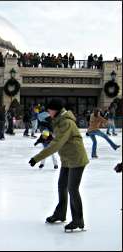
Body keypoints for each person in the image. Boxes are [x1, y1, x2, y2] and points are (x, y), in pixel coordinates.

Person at [28, 98, 89, 232]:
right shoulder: (59, 121)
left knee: (72, 188)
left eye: (49, 110)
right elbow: (58, 138)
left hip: (77, 159)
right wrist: (47, 137)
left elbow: (57, 144)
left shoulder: (66, 122)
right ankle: (61, 214)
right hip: (67, 160)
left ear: (55, 110)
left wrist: (37, 158)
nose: (48, 112)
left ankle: (78, 220)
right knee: (62, 185)